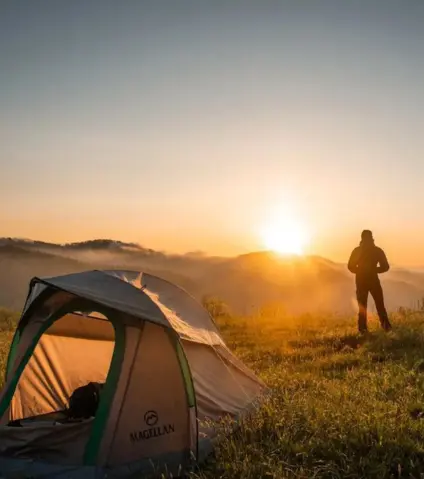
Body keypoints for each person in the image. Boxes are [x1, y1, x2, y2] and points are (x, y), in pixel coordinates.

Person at [348, 230, 392, 333]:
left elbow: (350, 266)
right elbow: (385, 267)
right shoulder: (377, 251)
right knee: (380, 304)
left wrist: (359, 271)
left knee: (362, 306)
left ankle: (363, 330)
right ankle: (386, 327)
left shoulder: (357, 251)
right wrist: (374, 270)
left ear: (361, 238)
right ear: (372, 237)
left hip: (361, 281)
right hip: (373, 280)